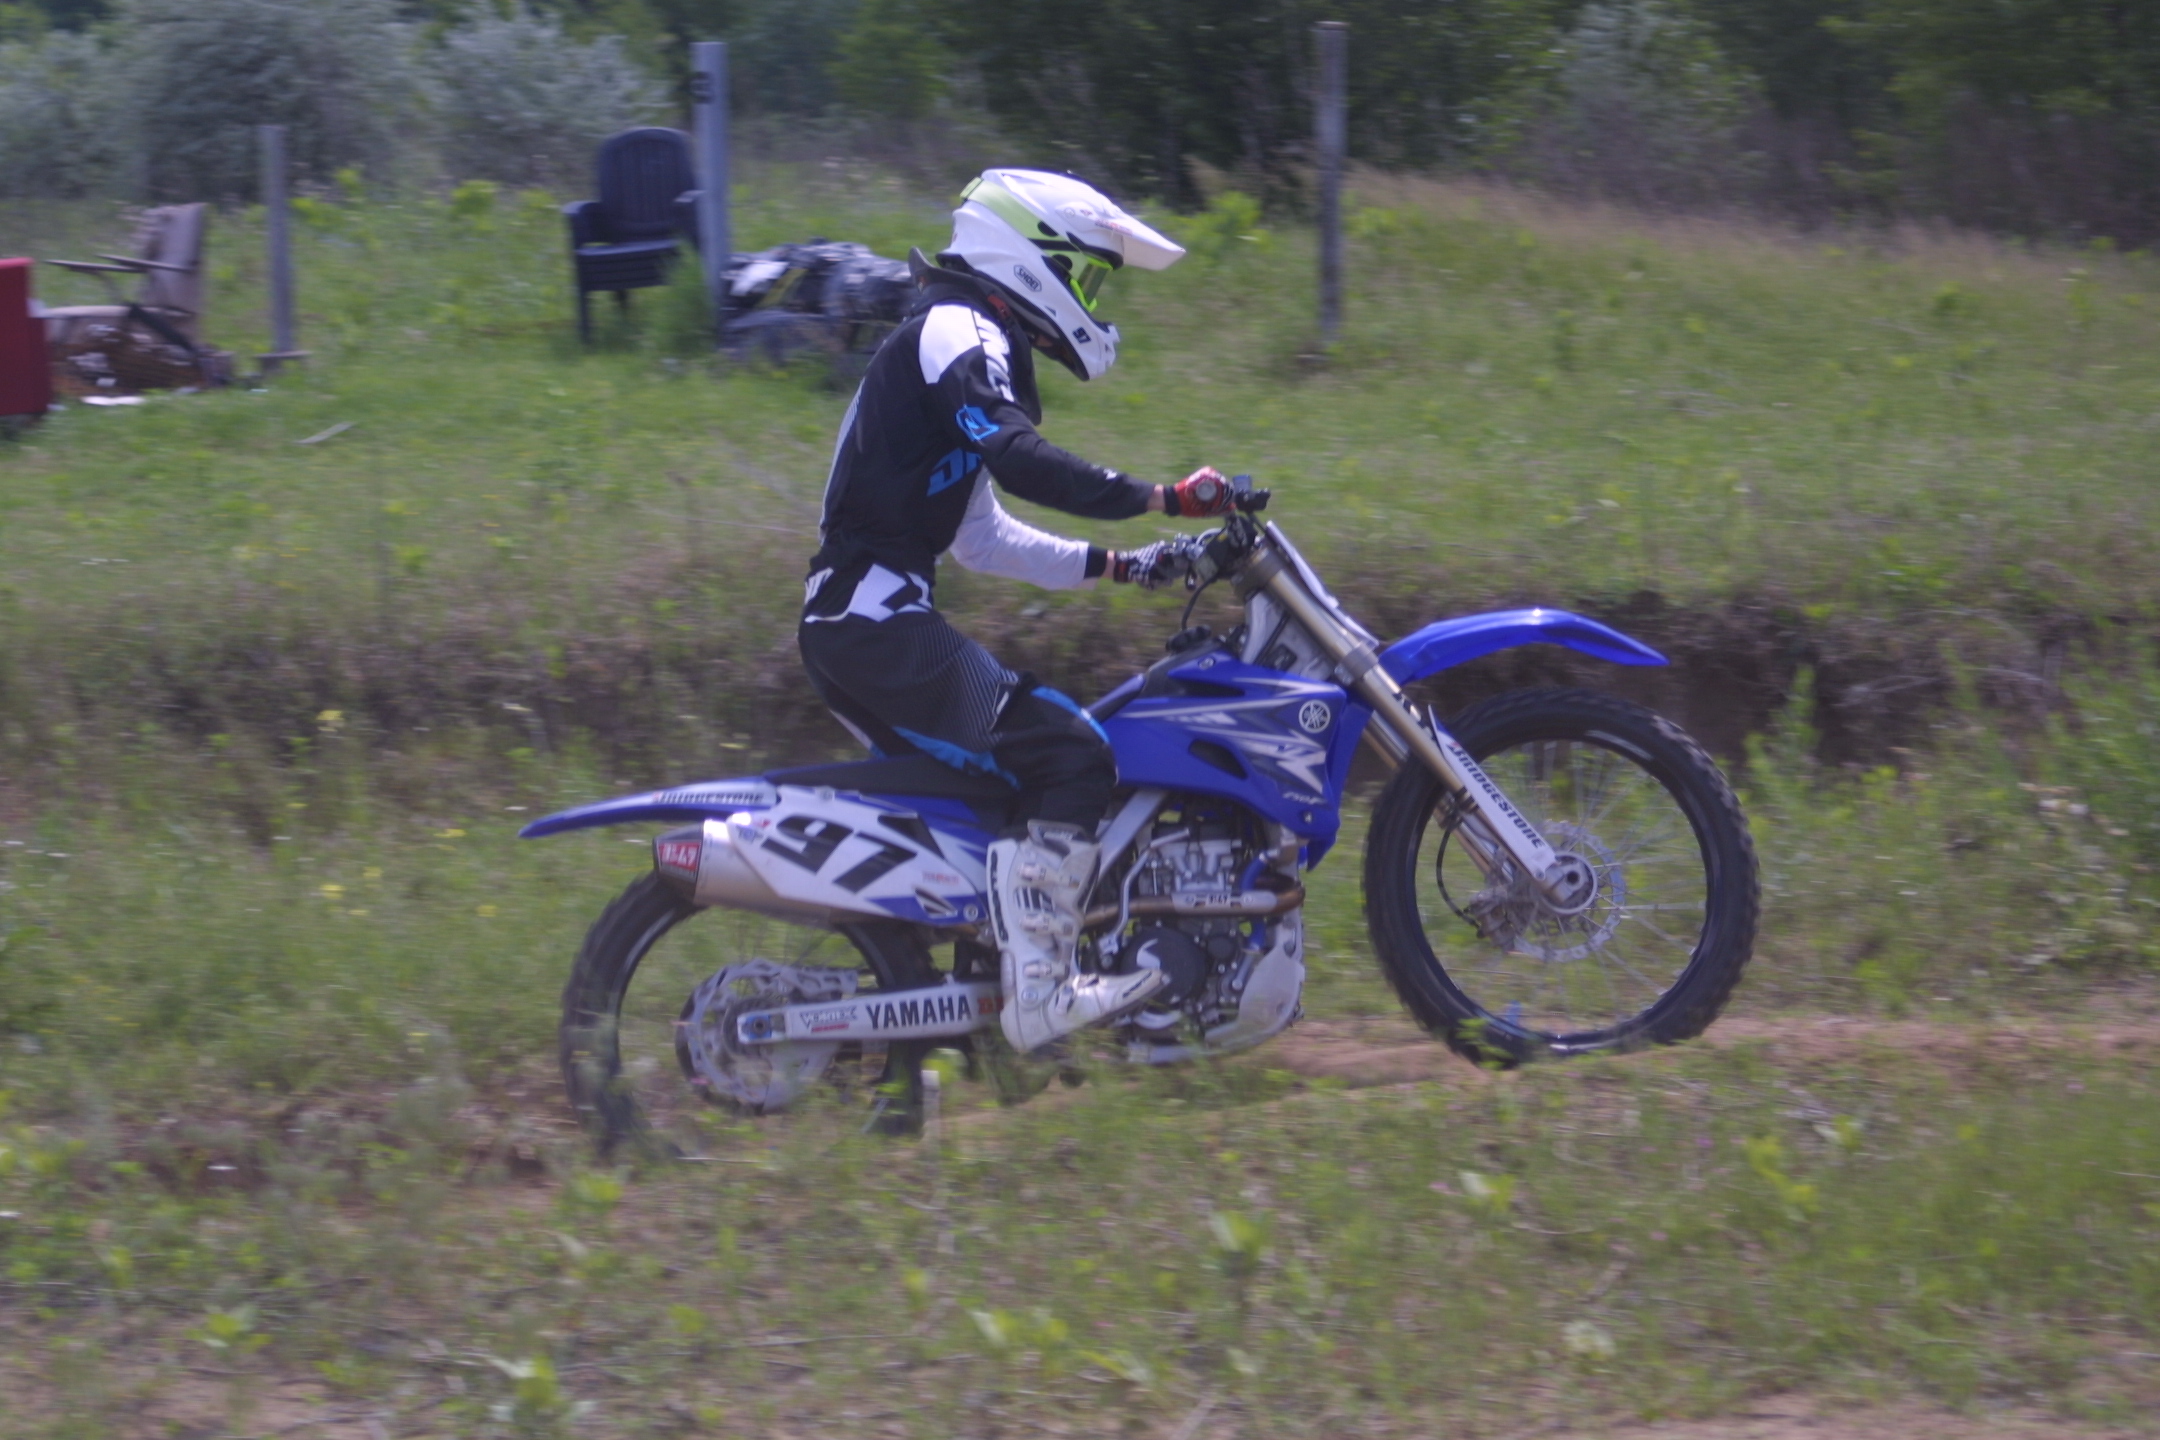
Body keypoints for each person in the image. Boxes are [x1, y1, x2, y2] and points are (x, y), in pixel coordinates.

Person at [799, 167, 1238, 1054]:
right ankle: (1040, 991)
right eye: (1086, 278)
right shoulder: (954, 331)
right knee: (1071, 754)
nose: (1091, 301)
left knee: (997, 794)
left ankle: (974, 1002)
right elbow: (1018, 457)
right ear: (1032, 258)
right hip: (873, 626)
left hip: (866, 626)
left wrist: (1125, 566)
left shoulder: (959, 338)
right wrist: (1159, 498)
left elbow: (982, 538)